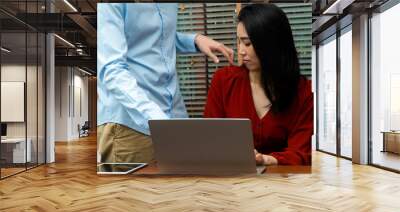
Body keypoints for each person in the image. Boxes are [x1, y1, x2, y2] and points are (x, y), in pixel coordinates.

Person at [97, 3, 234, 163]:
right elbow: (112, 70)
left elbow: (153, 35)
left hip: (175, 117)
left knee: (180, 186)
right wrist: (158, 121)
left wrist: (194, 40)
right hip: (131, 124)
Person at [204, 4, 313, 166]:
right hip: (232, 181)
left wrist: (269, 159)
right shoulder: (223, 81)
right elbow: (209, 139)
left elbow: (303, 152)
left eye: (247, 43)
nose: (240, 51)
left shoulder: (303, 91)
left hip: (285, 183)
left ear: (271, 44)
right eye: (239, 42)